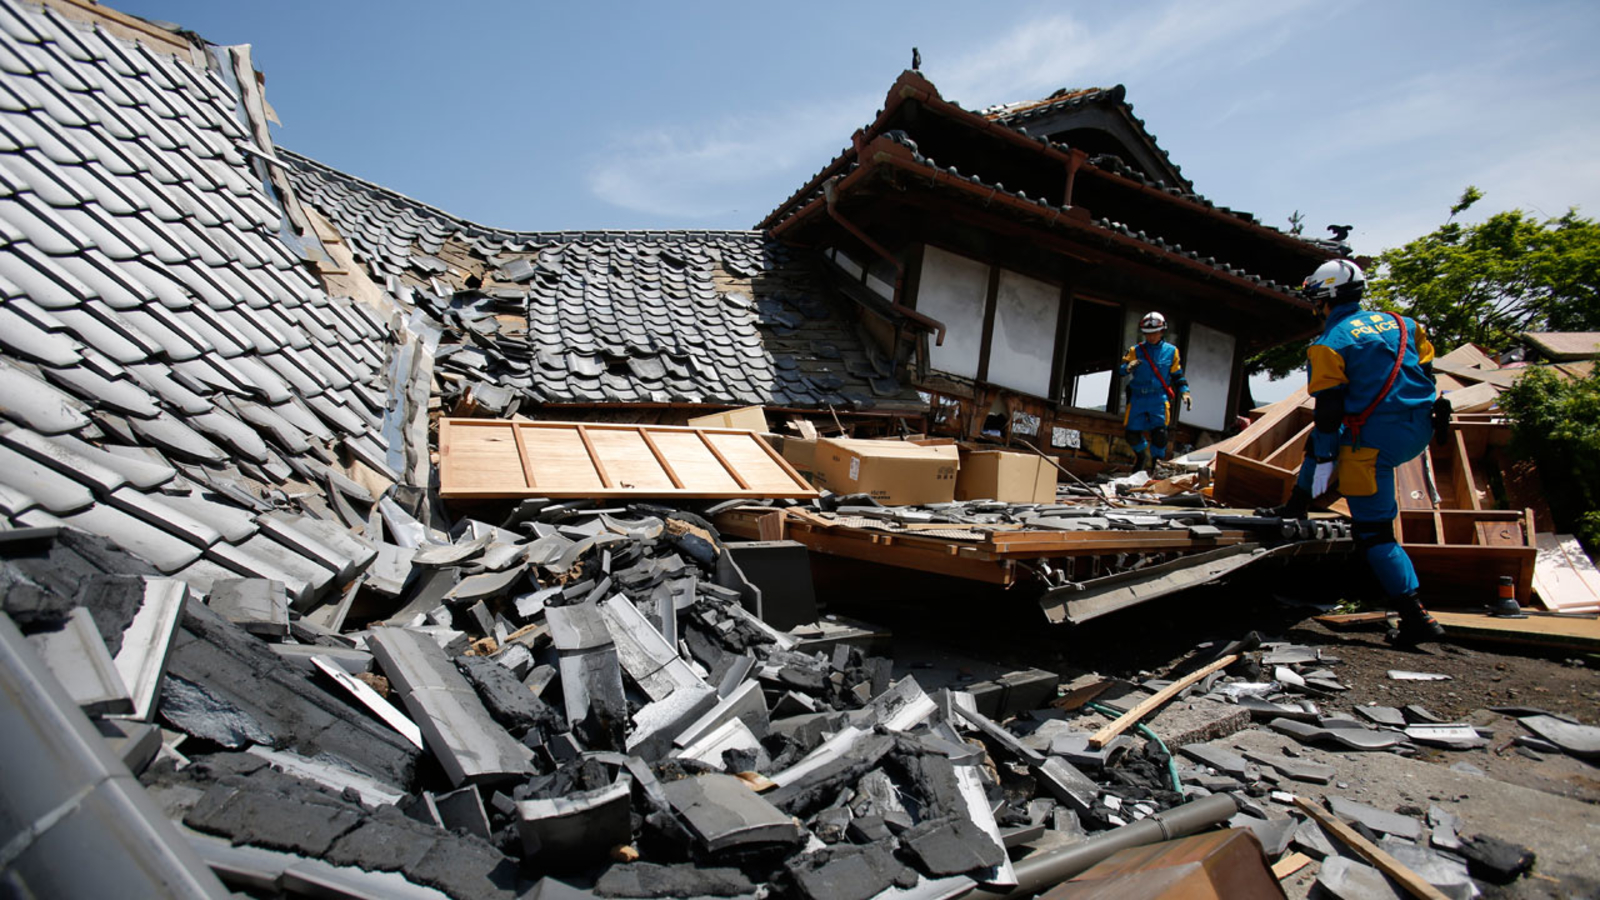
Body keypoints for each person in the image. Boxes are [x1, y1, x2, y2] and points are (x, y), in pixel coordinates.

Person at [1262, 259, 1449, 646]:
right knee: (1330, 443)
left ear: (1322, 300)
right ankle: (1297, 503)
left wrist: (1326, 459)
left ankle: (1416, 616)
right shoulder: (1405, 324)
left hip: (1373, 443)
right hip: (1420, 429)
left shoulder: (1330, 345)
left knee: (1375, 532)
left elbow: (1328, 414)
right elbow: (1428, 374)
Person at [1118, 311, 1191, 472]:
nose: (1150, 337)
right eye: (1147, 334)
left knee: (1160, 434)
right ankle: (1142, 456)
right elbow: (1121, 371)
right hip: (1137, 396)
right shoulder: (1135, 350)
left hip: (1158, 397)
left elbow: (1177, 374)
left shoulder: (1172, 352)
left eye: (1154, 333)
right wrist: (1128, 367)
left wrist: (1185, 391)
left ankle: (1156, 465)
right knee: (1131, 433)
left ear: (1162, 331)